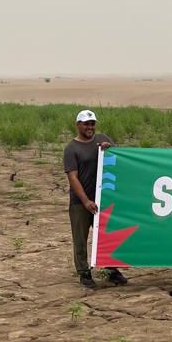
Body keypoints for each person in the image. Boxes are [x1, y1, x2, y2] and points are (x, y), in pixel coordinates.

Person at [64, 109, 127, 289]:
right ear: (78, 125)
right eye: (86, 123)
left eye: (92, 123)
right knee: (80, 239)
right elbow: (73, 177)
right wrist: (85, 201)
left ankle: (112, 270)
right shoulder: (71, 149)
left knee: (106, 236)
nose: (90, 127)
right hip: (80, 202)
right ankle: (84, 273)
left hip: (103, 199)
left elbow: (120, 159)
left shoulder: (102, 139)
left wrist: (110, 150)